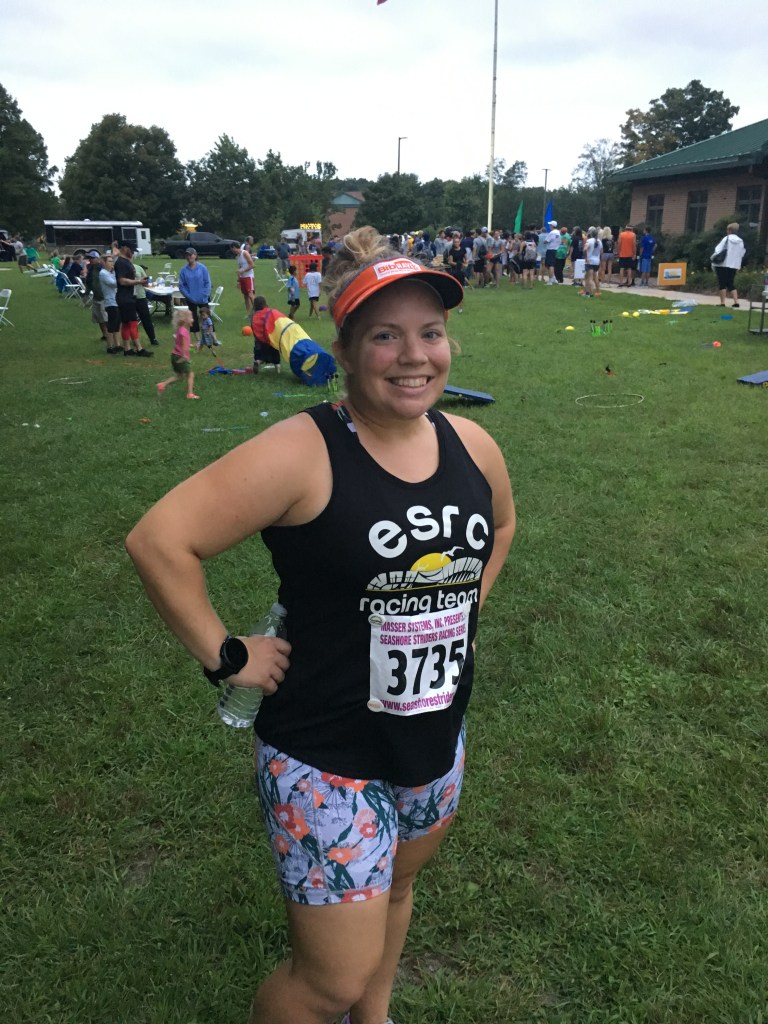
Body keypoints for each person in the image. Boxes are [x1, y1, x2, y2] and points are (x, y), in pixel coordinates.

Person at [125, 224, 515, 1024]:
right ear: (343, 349)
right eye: (386, 336)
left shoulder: (472, 445)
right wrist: (228, 654)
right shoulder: (304, 453)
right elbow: (161, 539)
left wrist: (465, 606)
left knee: (399, 888)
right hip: (326, 756)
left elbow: (501, 527)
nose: (415, 356)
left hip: (432, 738)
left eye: (431, 333)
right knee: (326, 981)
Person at [115, 240, 152, 357]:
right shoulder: (120, 263)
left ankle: (127, 349)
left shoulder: (126, 261)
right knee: (132, 322)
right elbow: (122, 280)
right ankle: (139, 348)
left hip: (129, 295)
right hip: (125, 297)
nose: (133, 253)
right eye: (131, 250)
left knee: (126, 323)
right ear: (125, 248)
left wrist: (141, 280)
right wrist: (138, 281)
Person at [156, 308, 199, 398]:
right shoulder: (184, 331)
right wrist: (184, 356)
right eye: (190, 317)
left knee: (179, 376)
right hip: (180, 356)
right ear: (184, 320)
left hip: (175, 355)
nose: (193, 319)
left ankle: (162, 384)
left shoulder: (181, 330)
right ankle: (190, 394)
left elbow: (182, 343)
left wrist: (191, 346)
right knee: (190, 374)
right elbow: (183, 346)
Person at [178, 247, 212, 346]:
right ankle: (198, 340)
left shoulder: (202, 268)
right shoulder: (183, 270)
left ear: (195, 255)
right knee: (193, 319)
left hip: (203, 298)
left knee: (207, 318)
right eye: (187, 255)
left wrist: (205, 294)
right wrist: (188, 296)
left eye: (191, 255)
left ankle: (211, 338)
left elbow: (207, 282)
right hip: (191, 299)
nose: (189, 257)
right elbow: (181, 285)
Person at [711, 222, 746, 308]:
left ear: (730, 230)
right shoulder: (740, 241)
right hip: (734, 264)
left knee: (722, 283)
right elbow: (741, 253)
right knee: (730, 282)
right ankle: (736, 301)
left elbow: (718, 250)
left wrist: (713, 258)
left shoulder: (726, 239)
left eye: (727, 229)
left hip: (722, 264)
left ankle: (722, 302)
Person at [84, 251, 110, 347]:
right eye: (89, 258)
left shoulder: (102, 268)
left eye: (92, 258)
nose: (90, 260)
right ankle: (104, 334)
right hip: (96, 296)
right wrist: (86, 294)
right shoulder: (90, 268)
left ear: (97, 259)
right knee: (98, 318)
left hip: (104, 296)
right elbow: (89, 282)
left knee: (105, 317)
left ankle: (109, 335)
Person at [133, 256, 160, 346]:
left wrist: (146, 281)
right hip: (129, 297)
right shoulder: (122, 267)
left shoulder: (138, 268)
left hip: (140, 296)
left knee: (146, 319)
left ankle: (153, 338)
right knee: (132, 320)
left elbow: (146, 282)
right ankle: (134, 340)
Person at [99, 255, 123, 354]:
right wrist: (121, 279)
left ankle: (117, 345)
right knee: (111, 325)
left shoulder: (110, 272)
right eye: (109, 261)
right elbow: (113, 283)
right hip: (110, 302)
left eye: (112, 261)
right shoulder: (103, 273)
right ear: (104, 262)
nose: (112, 263)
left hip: (116, 301)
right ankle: (110, 346)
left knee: (117, 325)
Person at [232, 240, 255, 314]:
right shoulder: (237, 257)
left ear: (235, 248)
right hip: (242, 278)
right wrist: (238, 281)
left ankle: (258, 312)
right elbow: (239, 269)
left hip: (248, 276)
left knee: (251, 295)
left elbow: (252, 265)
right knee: (245, 296)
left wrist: (243, 271)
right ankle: (249, 313)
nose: (232, 251)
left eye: (232, 249)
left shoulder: (244, 253)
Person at [582, 227, 603, 297]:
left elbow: (585, 250)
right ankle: (597, 291)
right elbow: (601, 252)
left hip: (590, 261)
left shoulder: (589, 241)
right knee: (595, 276)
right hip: (597, 261)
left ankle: (589, 292)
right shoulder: (599, 241)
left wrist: (586, 258)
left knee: (589, 277)